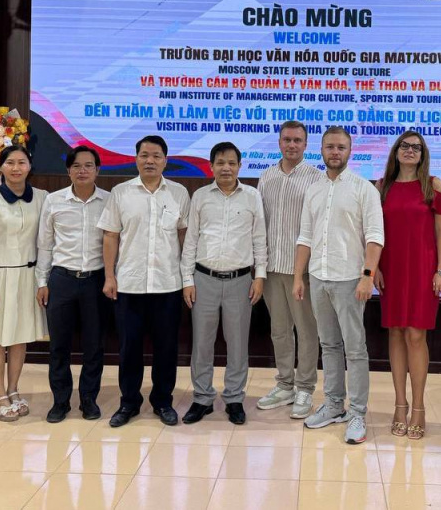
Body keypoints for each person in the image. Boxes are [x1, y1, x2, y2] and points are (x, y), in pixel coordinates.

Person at [294, 126, 384, 445]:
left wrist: (367, 275)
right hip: (318, 277)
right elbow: (305, 236)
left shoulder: (364, 189)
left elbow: (375, 236)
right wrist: (299, 277)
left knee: (355, 348)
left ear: (350, 151)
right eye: (330, 147)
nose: (335, 152)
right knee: (329, 345)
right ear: (321, 150)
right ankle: (334, 405)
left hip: (350, 280)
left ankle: (357, 412)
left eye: (341, 147)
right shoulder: (314, 189)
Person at [98, 135, 190, 428]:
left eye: (156, 156)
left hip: (168, 284)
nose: (150, 161)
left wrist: (187, 277)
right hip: (129, 284)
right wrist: (109, 276)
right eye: (144, 155)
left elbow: (184, 236)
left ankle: (163, 401)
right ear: (136, 158)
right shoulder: (121, 193)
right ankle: (129, 403)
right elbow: (110, 235)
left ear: (165, 160)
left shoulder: (179, 193)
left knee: (166, 348)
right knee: (129, 348)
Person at [180, 142, 267, 426]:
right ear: (211, 166)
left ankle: (234, 398)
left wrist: (260, 276)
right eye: (220, 162)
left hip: (240, 280)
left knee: (238, 344)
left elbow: (259, 239)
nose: (226, 168)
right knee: (202, 343)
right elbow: (191, 239)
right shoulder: (200, 196)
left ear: (240, 166)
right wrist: (187, 279)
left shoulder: (252, 196)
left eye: (231, 163)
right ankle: (202, 398)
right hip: (203, 279)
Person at [374, 131, 441, 440]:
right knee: (395, 332)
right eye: (404, 146)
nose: (409, 151)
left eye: (415, 147)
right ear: (396, 151)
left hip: (422, 269)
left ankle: (418, 406)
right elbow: (374, 233)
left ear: (423, 154)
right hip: (391, 269)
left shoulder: (433, 185)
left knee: (416, 335)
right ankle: (399, 404)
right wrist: (374, 268)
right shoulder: (381, 186)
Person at [0, 145, 48, 421]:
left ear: (30, 166)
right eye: (10, 162)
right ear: (0, 167)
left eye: (22, 162)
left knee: (19, 337)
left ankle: (14, 389)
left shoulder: (42, 197)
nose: (16, 168)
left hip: (28, 276)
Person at [36, 145, 110, 423]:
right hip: (61, 279)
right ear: (68, 170)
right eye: (77, 166)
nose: (82, 171)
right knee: (59, 345)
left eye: (88, 165)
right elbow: (45, 244)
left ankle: (89, 399)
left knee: (94, 345)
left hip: (96, 280)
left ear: (97, 170)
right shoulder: (54, 200)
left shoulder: (109, 200)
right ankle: (60, 401)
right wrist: (42, 281)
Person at [256, 121, 322, 418]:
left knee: (307, 331)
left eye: (297, 140)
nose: (291, 145)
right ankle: (285, 384)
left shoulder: (316, 179)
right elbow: (260, 224)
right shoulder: (266, 176)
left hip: (302, 272)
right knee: (279, 330)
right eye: (287, 140)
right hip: (272, 268)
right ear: (279, 142)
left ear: (306, 145)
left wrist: (305, 270)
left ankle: (305, 387)